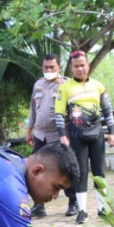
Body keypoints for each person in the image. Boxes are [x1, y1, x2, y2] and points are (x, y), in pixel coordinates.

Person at [54, 50, 114, 224]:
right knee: (80, 174)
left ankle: (102, 208)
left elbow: (107, 110)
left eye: (83, 65)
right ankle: (82, 211)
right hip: (76, 136)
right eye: (76, 66)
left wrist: (112, 133)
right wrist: (62, 136)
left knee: (100, 173)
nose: (80, 69)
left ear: (88, 66)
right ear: (71, 68)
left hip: (97, 134)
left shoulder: (98, 86)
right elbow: (59, 114)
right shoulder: (64, 88)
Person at [26, 53, 79, 218]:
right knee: (37, 169)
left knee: (64, 169)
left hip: (59, 134)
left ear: (59, 68)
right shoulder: (38, 84)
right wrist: (29, 130)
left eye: (51, 67)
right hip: (40, 134)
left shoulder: (66, 84)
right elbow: (33, 109)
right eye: (45, 67)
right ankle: (39, 205)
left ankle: (73, 202)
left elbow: (73, 110)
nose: (48, 70)